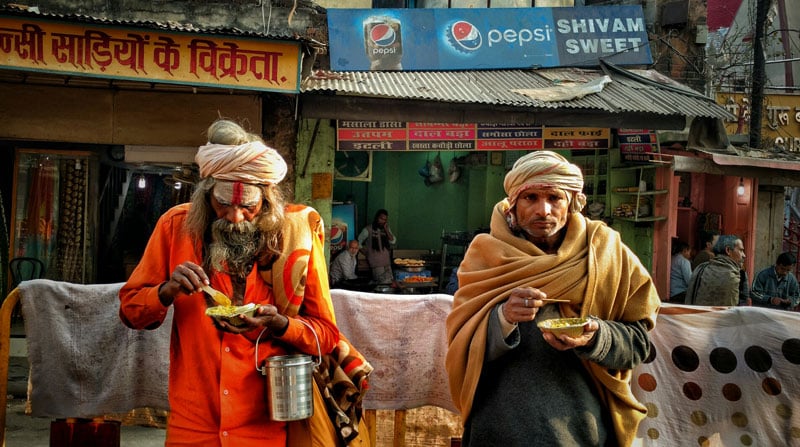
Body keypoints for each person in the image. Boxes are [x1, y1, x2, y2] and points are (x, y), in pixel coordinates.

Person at [118, 119, 370, 446]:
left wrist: (281, 324)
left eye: (247, 206)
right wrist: (166, 291)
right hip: (193, 426)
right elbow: (131, 311)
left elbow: (325, 335)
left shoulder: (296, 238)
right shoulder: (174, 227)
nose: (235, 217)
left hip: (264, 427)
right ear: (205, 196)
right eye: (223, 203)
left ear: (266, 200)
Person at [445, 151, 660, 447]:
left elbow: (638, 344)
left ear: (572, 202)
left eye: (554, 198)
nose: (543, 210)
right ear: (513, 205)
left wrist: (597, 336)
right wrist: (503, 318)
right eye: (530, 198)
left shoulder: (607, 252)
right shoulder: (485, 255)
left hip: (580, 434)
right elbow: (460, 348)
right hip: (498, 432)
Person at [684, 234, 746, 307]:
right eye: (741, 250)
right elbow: (729, 312)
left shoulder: (702, 268)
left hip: (698, 316)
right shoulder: (731, 275)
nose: (744, 255)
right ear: (728, 250)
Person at [357, 209, 396, 284]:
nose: (383, 221)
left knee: (390, 282)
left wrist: (386, 229)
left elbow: (393, 241)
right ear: (377, 217)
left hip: (387, 262)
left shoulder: (386, 229)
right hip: (376, 263)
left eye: (385, 220)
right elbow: (358, 242)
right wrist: (366, 253)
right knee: (381, 282)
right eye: (381, 218)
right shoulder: (367, 229)